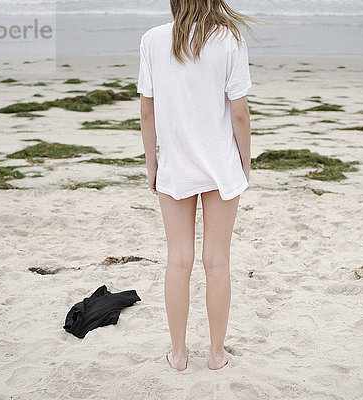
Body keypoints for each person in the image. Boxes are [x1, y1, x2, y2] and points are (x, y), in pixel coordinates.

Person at [137, 0, 264, 371]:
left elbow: (147, 110)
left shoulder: (152, 40)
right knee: (217, 261)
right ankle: (215, 355)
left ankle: (178, 355)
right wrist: (245, 161)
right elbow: (239, 112)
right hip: (220, 166)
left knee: (178, 260)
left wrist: (152, 165)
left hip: (175, 167)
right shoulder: (229, 39)